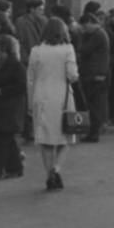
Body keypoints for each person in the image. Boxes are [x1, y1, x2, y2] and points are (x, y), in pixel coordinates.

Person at [27, 15, 79, 188]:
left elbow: (31, 79)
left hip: (41, 97)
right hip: (62, 98)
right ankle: (56, 171)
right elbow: (72, 75)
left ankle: (49, 174)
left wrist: (30, 102)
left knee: (47, 139)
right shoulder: (68, 49)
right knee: (66, 137)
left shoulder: (36, 50)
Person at [0, 35, 27, 179]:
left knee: (1, 138)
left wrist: (4, 91)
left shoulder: (15, 64)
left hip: (10, 107)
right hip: (1, 106)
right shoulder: (1, 63)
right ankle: (15, 167)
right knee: (5, 138)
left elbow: (21, 85)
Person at [76, 7, 110, 142]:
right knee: (92, 102)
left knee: (86, 101)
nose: (84, 29)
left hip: (92, 72)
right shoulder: (100, 33)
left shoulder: (97, 34)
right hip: (98, 72)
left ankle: (98, 123)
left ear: (90, 21)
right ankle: (93, 133)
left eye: (85, 25)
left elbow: (85, 50)